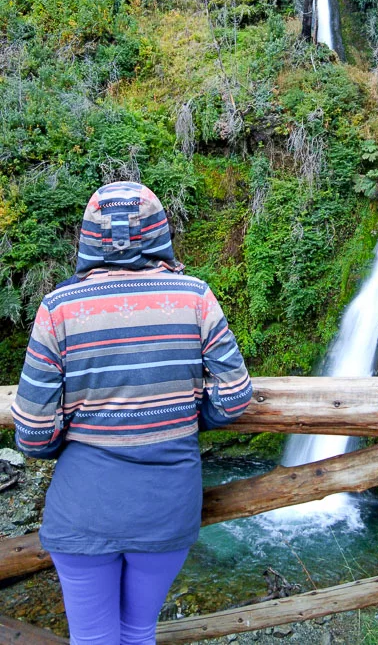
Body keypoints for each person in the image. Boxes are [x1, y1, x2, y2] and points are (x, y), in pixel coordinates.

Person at [11, 181, 252, 645]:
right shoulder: (195, 296)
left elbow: (34, 434)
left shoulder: (58, 308)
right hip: (167, 507)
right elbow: (236, 397)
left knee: (92, 638)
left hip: (83, 509)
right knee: (139, 632)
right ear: (159, 232)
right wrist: (186, 416)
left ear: (88, 237)